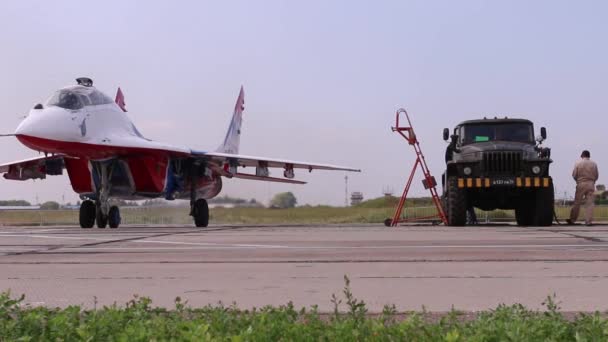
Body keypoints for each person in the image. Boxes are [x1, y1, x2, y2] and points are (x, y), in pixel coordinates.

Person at [566, 150, 599, 226]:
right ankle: (588, 221)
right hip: (591, 183)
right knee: (590, 203)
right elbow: (596, 175)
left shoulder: (578, 163)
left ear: (582, 155)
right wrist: (592, 181)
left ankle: (572, 219)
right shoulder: (594, 164)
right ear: (589, 156)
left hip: (581, 183)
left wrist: (578, 181)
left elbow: (574, 175)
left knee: (577, 202)